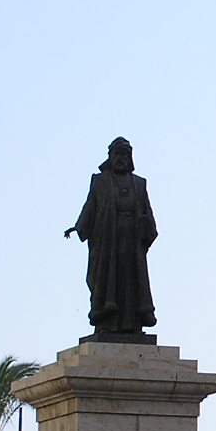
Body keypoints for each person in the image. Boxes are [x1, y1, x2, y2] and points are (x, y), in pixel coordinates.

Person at [65, 137, 157, 335]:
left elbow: (147, 210)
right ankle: (106, 322)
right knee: (107, 279)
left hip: (132, 239)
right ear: (111, 157)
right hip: (107, 239)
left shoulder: (139, 184)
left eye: (125, 155)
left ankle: (133, 324)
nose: (121, 159)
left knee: (132, 281)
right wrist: (79, 227)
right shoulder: (100, 182)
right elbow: (90, 206)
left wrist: (147, 227)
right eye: (118, 155)